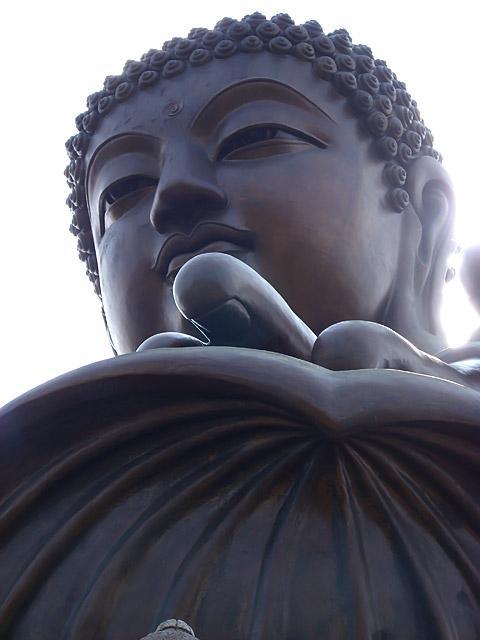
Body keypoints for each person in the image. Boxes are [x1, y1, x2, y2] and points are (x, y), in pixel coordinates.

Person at [1, 12, 479, 640]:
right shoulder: (62, 507)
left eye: (256, 137)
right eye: (122, 191)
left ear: (427, 211)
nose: (172, 194)